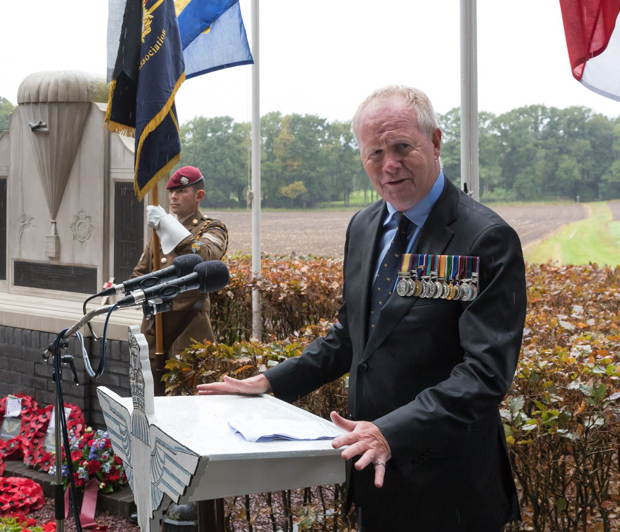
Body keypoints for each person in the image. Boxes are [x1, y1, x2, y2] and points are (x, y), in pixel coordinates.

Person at [199, 86, 526, 531]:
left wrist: (391, 430)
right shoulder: (365, 225)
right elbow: (352, 335)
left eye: (401, 147)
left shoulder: (484, 238)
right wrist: (271, 380)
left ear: (434, 141)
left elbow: (486, 373)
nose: (388, 165)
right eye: (374, 152)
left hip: (451, 488)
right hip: (374, 476)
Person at [131, 166, 228, 383]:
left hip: (188, 332)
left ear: (199, 196)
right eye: (171, 191)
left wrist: (167, 225)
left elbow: (206, 255)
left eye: (181, 191)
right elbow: (140, 273)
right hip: (154, 330)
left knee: (186, 401)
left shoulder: (212, 228)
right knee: (151, 401)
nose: (173, 197)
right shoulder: (159, 232)